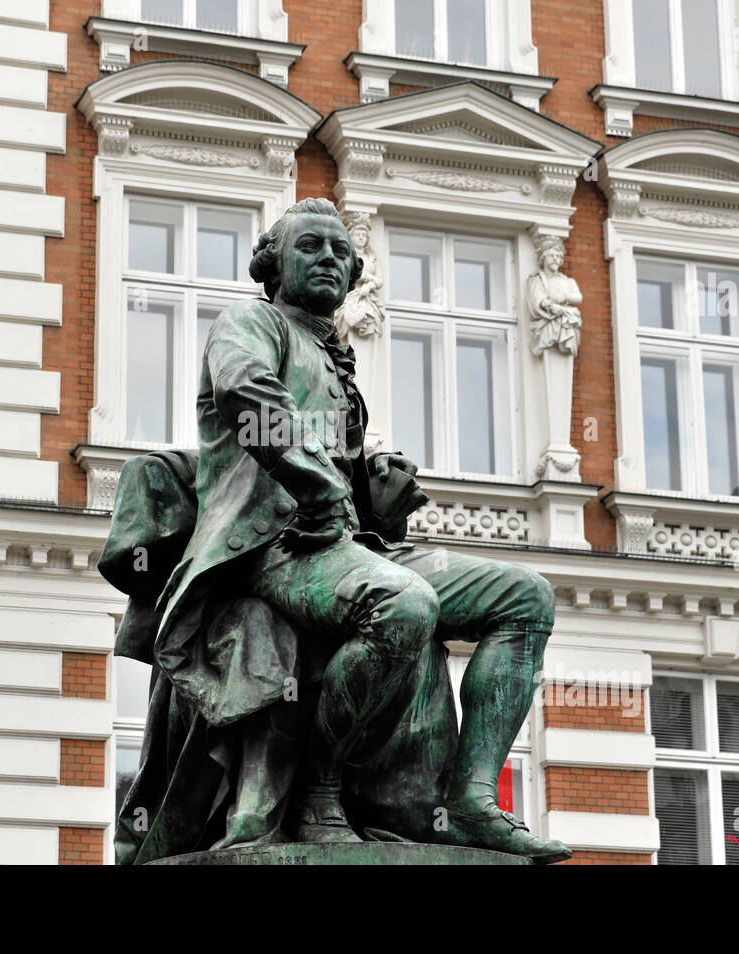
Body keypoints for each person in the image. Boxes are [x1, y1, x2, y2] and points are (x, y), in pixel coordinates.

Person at [139, 198, 571, 862]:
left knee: (526, 595)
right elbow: (249, 399)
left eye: (342, 253)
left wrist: (378, 489)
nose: (329, 260)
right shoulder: (251, 322)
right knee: (404, 605)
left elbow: (341, 477)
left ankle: (471, 801)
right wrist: (320, 486)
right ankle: (319, 784)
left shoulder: (334, 354)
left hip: (344, 544)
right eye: (310, 247)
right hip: (269, 547)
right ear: (271, 263)